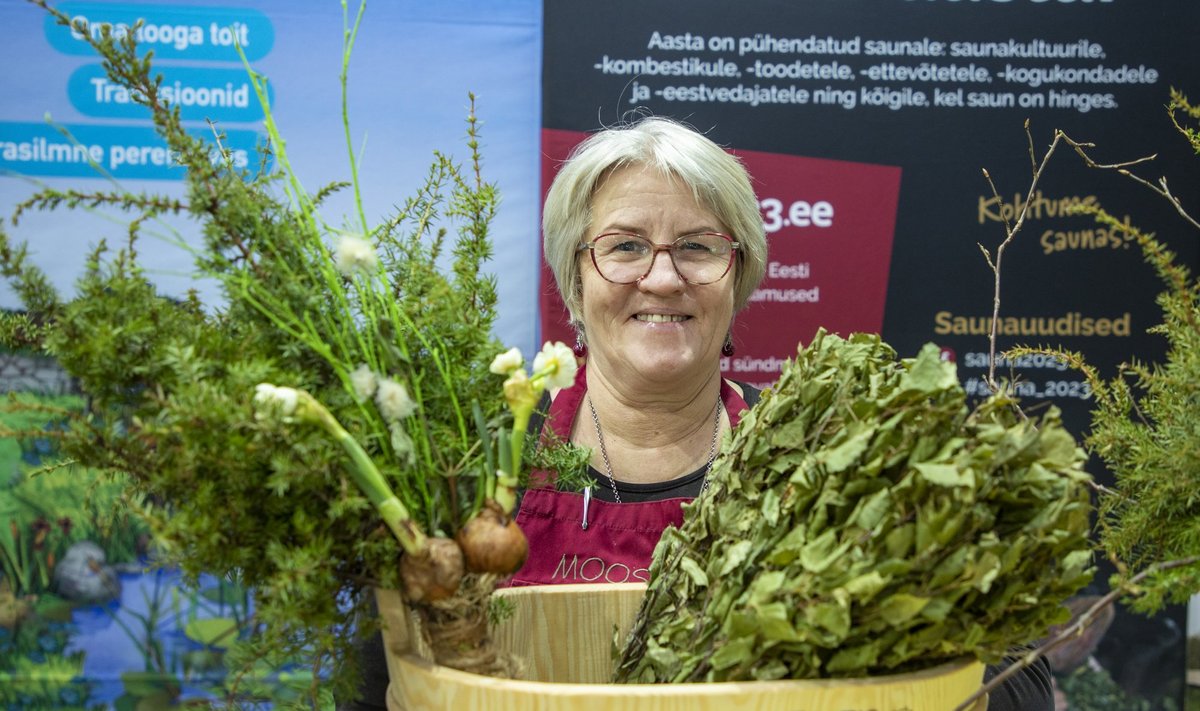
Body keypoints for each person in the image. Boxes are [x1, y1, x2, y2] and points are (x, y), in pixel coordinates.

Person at [341, 116, 1053, 710]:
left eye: (697, 247)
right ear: (573, 277)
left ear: (737, 275)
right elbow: (385, 679)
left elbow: (1011, 667)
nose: (661, 276)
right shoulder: (476, 472)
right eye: (624, 246)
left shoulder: (830, 466)